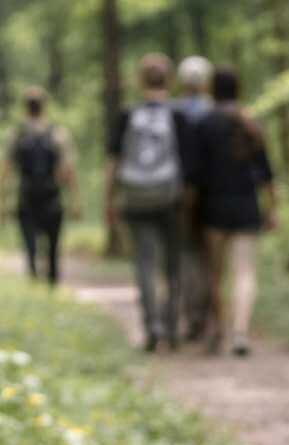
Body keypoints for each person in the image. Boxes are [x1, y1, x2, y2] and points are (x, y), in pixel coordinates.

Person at [185, 66, 277, 356]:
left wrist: (189, 210)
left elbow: (194, 176)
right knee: (245, 273)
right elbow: (267, 176)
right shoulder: (252, 125)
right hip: (247, 207)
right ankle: (240, 331)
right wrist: (273, 209)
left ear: (212, 89)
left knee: (215, 273)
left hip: (213, 208)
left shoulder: (204, 124)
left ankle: (218, 329)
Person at [107, 54, 190, 351]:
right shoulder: (177, 115)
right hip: (170, 198)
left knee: (144, 263)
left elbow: (113, 162)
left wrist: (110, 200)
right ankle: (171, 328)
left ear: (141, 80)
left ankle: (151, 325)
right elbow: (188, 164)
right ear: (169, 79)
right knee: (173, 265)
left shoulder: (128, 114)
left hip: (135, 197)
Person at [0, 87, 80, 286]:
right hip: (52, 196)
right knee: (53, 246)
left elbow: (6, 170)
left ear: (25, 108)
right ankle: (52, 282)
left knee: (30, 246)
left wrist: (2, 201)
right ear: (45, 106)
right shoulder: (58, 134)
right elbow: (68, 170)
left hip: (26, 195)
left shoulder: (16, 135)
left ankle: (34, 279)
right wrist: (75, 200)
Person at [172, 55, 217, 342]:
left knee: (186, 255)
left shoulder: (172, 112)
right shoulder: (214, 112)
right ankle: (210, 316)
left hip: (179, 192)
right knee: (209, 258)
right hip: (212, 193)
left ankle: (192, 317)